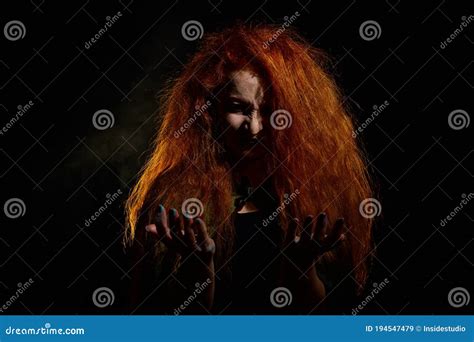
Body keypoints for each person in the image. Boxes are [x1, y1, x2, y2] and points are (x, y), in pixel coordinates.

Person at [125, 24, 374, 314]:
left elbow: (323, 319)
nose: (254, 127)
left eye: (268, 111)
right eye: (237, 107)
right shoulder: (174, 196)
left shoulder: (321, 193)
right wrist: (198, 268)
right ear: (208, 110)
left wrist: (300, 270)